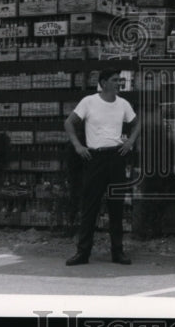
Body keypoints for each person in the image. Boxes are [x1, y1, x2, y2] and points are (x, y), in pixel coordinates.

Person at [64, 68, 139, 266]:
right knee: (90, 207)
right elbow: (69, 123)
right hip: (94, 159)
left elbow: (137, 123)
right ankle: (82, 253)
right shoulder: (89, 102)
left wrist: (130, 141)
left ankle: (118, 252)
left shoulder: (123, 104)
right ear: (104, 83)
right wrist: (78, 146)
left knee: (116, 207)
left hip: (116, 158)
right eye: (115, 80)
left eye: (120, 81)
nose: (118, 84)